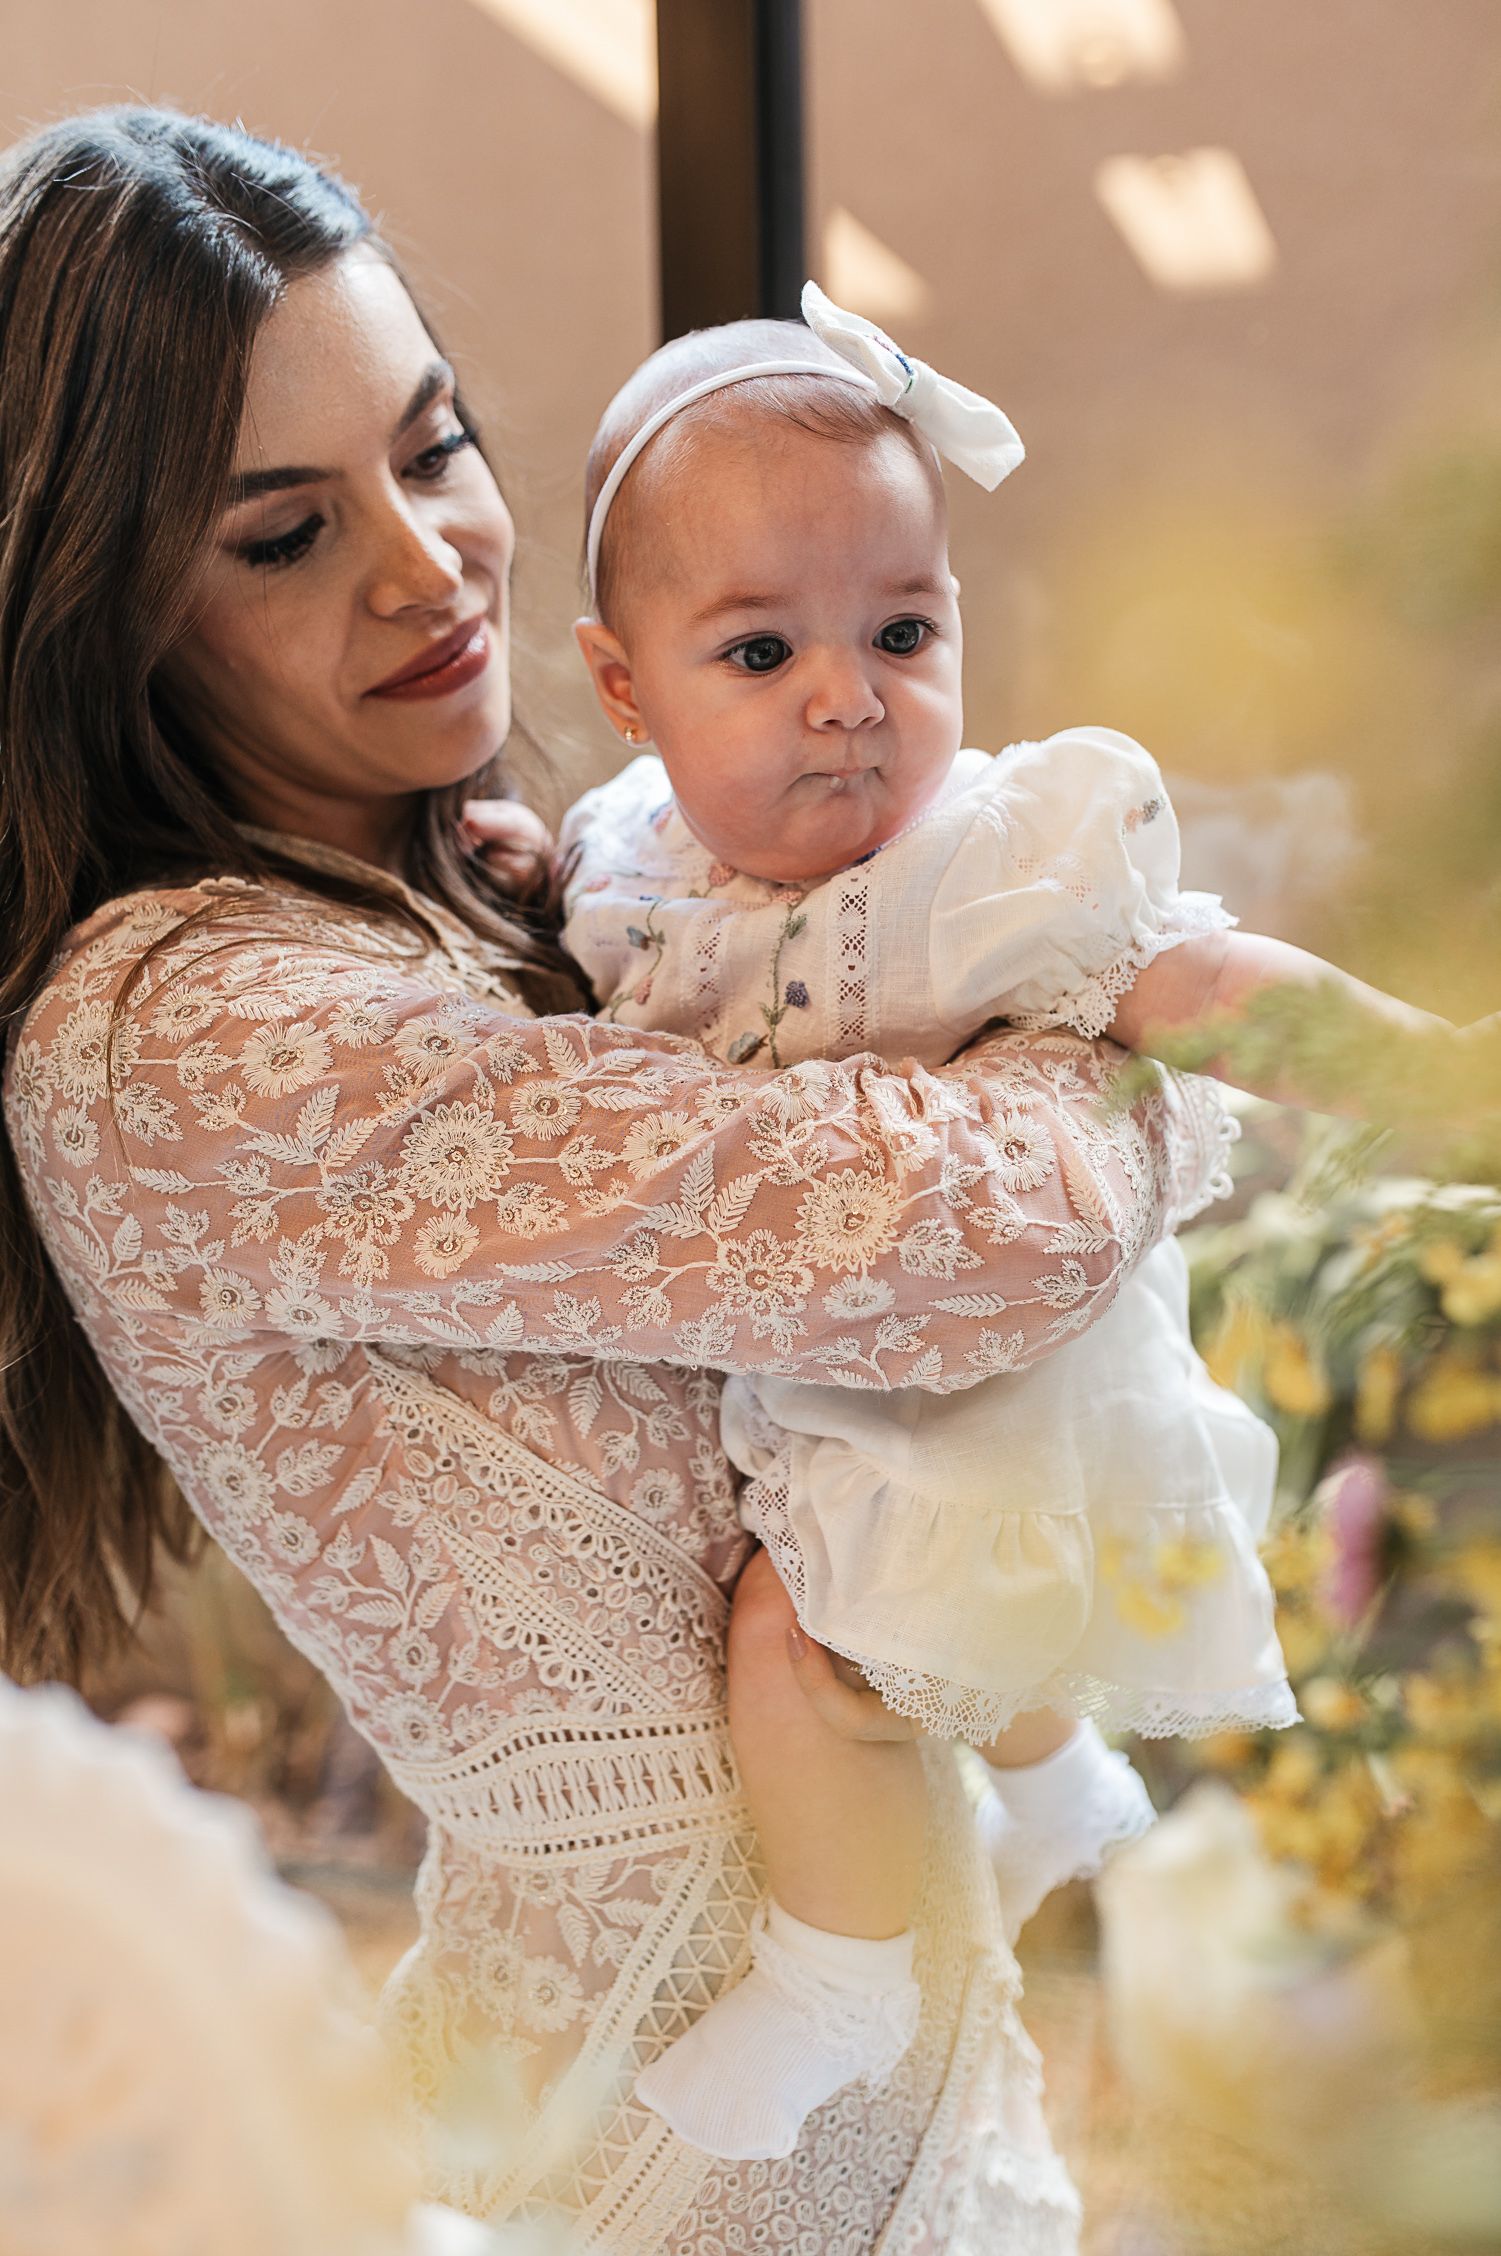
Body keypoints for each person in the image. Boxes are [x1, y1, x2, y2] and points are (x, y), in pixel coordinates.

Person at [0, 111, 1225, 2255]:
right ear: (101, 603)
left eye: (436, 444)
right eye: (282, 533)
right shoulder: (193, 1030)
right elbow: (962, 1241)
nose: (427, 559)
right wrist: (1119, 1037)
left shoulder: (480, 896)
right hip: (666, 2118)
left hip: (844, 2041)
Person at [560, 287, 1462, 2163]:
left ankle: (834, 1976)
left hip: (988, 1394)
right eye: (758, 651)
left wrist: (1413, 1064)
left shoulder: (984, 859)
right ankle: (1059, 1794)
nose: (846, 693)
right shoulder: (636, 862)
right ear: (625, 689)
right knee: (865, 1604)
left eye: (901, 629)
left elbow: (1191, 971)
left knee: (800, 1651)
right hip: (824, 1382)